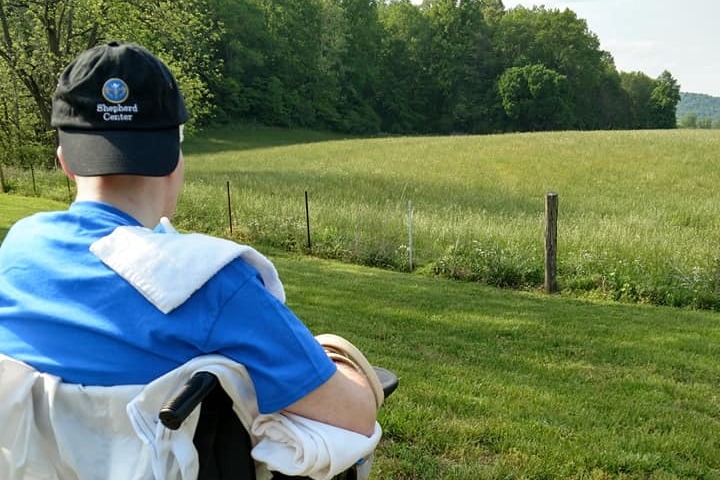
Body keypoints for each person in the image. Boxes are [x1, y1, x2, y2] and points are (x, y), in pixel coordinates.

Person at [0, 41, 378, 442]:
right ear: (174, 161)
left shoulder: (17, 252)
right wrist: (338, 355)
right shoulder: (208, 282)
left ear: (64, 162)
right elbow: (355, 415)